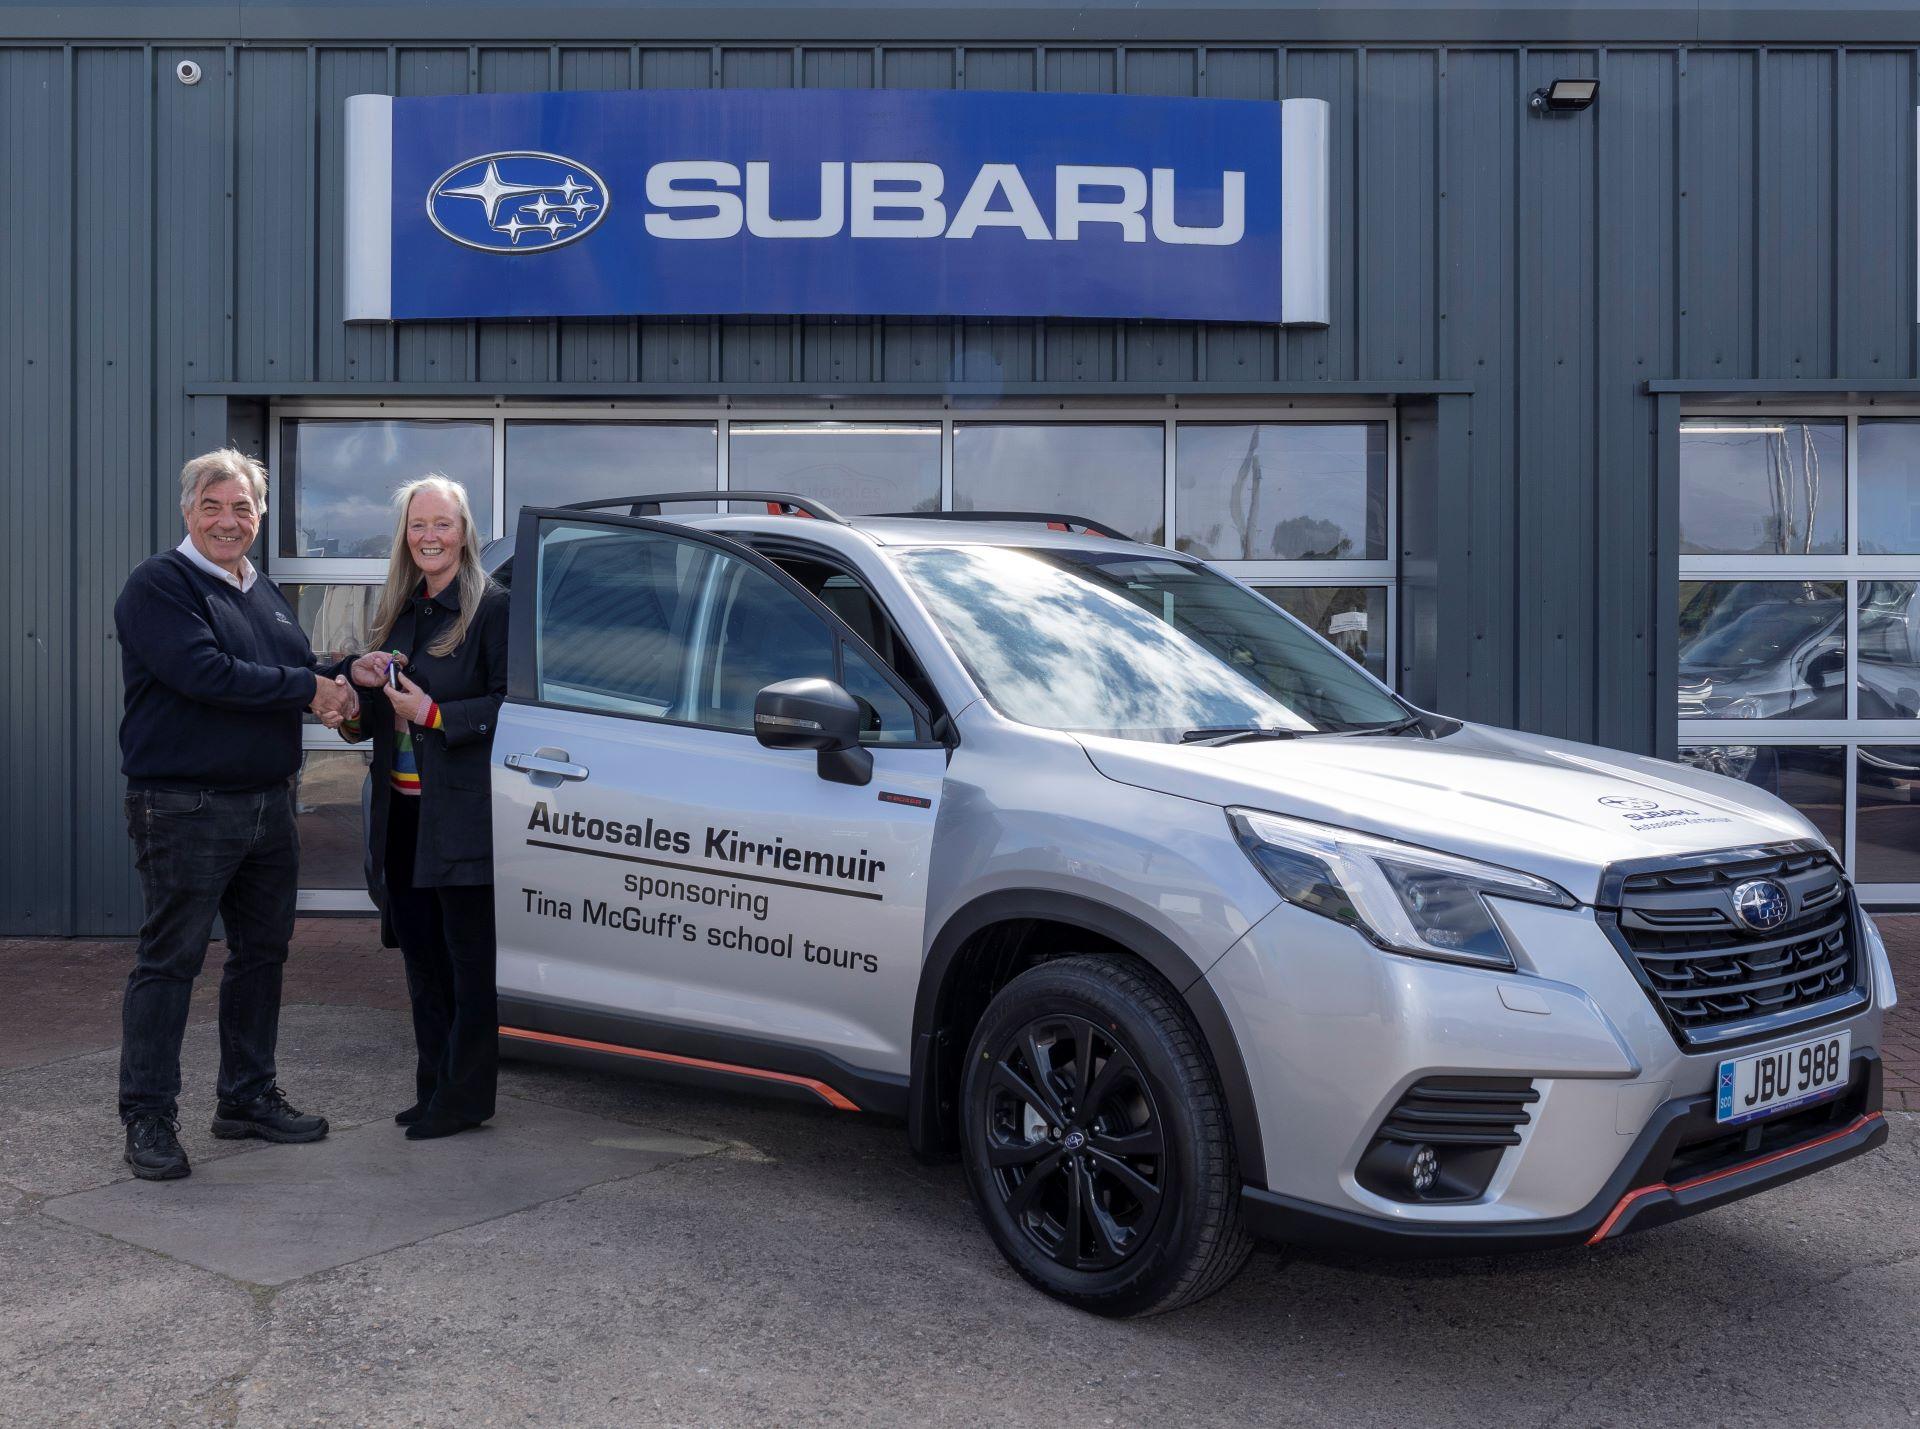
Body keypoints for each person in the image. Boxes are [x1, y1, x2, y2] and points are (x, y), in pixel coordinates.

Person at [114, 449, 355, 1181]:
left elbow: (291, 662)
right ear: (188, 510)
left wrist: (349, 670)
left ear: (261, 514)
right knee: (170, 962)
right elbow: (206, 673)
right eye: (213, 506)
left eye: (242, 507)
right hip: (185, 806)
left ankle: (246, 1097)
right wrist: (311, 688)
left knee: (262, 954)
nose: (228, 520)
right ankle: (148, 1117)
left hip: (267, 803)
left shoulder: (261, 588)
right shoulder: (161, 584)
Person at [342, 475, 508, 1140]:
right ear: (405, 537)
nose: (430, 536)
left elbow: (509, 704)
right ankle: (431, 1086)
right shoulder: (402, 609)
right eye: (418, 526)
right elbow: (380, 711)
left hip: (461, 817)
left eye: (442, 523)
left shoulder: (491, 608)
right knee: (421, 960)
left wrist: (434, 712)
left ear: (463, 531)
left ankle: (466, 1098)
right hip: (402, 815)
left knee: (467, 964)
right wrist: (356, 683)